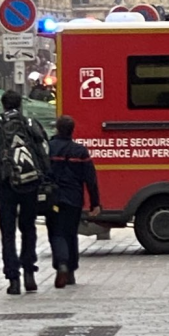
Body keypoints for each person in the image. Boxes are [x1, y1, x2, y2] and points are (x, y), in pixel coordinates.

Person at [0, 89, 50, 295]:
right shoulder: (30, 124)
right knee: (28, 229)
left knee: (8, 233)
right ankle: (29, 274)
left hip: (5, 185)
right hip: (29, 184)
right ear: (20, 105)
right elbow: (43, 151)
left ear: (3, 105)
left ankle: (13, 279)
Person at [46, 116, 101, 288]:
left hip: (53, 198)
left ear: (57, 129)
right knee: (71, 234)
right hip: (74, 199)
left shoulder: (49, 148)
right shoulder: (80, 151)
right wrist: (95, 203)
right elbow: (90, 179)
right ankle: (70, 272)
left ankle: (61, 264)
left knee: (56, 233)